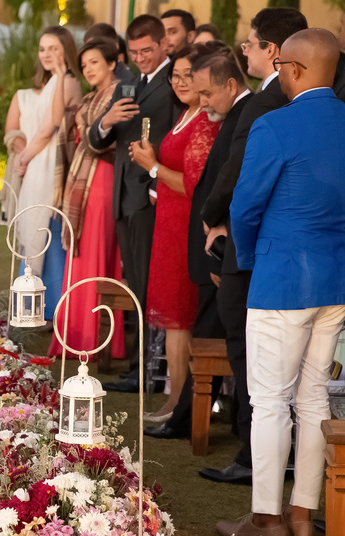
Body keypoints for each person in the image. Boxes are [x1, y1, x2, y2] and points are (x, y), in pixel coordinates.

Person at [216, 29, 345, 536]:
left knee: (270, 400)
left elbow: (244, 207)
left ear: (293, 69)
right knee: (313, 397)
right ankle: (302, 516)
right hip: (335, 279)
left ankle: (267, 520)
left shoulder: (274, 124)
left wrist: (250, 259)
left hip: (282, 279)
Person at [197, 8, 307, 485]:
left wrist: (212, 217)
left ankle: (252, 455)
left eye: (251, 42)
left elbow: (240, 170)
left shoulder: (268, 101)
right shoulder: (281, 97)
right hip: (279, 243)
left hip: (253, 240)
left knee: (247, 350)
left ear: (274, 51)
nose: (244, 50)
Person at [145, 43, 250, 441]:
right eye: (177, 77)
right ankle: (183, 409)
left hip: (205, 229)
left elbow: (209, 181)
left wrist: (152, 167)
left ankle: (186, 411)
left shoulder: (223, 118)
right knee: (194, 324)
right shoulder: (204, 113)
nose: (195, 94)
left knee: (198, 324)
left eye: (203, 88)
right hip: (186, 226)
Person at [91, 14, 182, 393]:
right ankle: (137, 367)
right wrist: (106, 120)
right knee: (136, 286)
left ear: (163, 45)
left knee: (147, 288)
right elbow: (95, 141)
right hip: (122, 198)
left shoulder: (175, 82)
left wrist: (156, 187)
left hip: (150, 199)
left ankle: (144, 370)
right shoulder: (127, 85)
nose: (141, 58)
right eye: (135, 52)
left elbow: (177, 140)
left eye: (147, 51)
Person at [129, 46, 220, 422]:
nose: (181, 82)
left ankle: (180, 403)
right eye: (176, 76)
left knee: (181, 316)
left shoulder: (205, 122)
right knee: (172, 318)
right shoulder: (186, 114)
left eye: (188, 75)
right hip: (168, 221)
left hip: (186, 223)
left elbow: (195, 185)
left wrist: (152, 167)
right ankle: (174, 399)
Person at [4, 26, 81, 321]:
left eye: (53, 48)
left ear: (66, 51)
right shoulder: (52, 82)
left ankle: (52, 309)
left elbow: (50, 126)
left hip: (51, 164)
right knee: (33, 229)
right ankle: (29, 301)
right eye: (42, 49)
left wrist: (23, 157)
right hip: (38, 161)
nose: (46, 54)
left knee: (49, 233)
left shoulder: (69, 81)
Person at [54, 37, 124, 358]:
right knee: (81, 258)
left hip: (103, 178)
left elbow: (107, 141)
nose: (88, 70)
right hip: (85, 181)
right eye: (84, 65)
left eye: (94, 62)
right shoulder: (90, 98)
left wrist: (87, 126)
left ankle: (93, 339)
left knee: (96, 256)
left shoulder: (120, 94)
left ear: (112, 63)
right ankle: (75, 334)